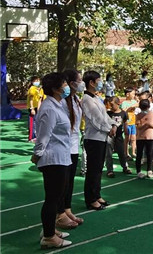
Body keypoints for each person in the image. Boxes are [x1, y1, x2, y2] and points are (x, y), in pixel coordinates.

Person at [31, 72, 72, 249]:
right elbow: (43, 136)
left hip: (61, 156)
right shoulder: (49, 108)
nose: (66, 86)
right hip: (52, 158)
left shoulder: (58, 104)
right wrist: (37, 154)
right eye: (64, 84)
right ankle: (49, 237)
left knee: (56, 197)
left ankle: (50, 230)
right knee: (52, 199)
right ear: (55, 89)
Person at [81, 71, 116, 210]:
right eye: (99, 80)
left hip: (101, 137)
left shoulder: (95, 98)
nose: (101, 83)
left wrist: (113, 124)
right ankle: (90, 199)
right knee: (93, 170)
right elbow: (96, 119)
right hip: (93, 138)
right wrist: (109, 128)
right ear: (91, 82)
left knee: (98, 169)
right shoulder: (86, 99)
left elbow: (105, 116)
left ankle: (97, 195)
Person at [56, 69, 85, 230]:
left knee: (70, 181)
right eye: (78, 80)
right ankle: (59, 213)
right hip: (64, 146)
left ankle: (67, 209)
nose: (81, 83)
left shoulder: (74, 99)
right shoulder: (61, 102)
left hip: (73, 145)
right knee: (62, 182)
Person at [106, 97, 131, 177]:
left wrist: (126, 131)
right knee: (109, 153)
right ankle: (109, 170)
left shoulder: (123, 113)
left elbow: (125, 122)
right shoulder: (108, 113)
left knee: (121, 152)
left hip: (119, 135)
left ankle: (125, 167)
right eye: (109, 104)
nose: (110, 106)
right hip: (110, 136)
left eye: (112, 104)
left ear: (118, 104)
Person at [135, 98, 153, 179]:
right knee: (139, 154)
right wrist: (144, 125)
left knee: (150, 154)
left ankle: (149, 170)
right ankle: (138, 171)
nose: (145, 110)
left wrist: (151, 125)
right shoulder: (138, 115)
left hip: (150, 137)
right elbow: (138, 126)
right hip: (140, 137)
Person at [121, 88, 138, 160]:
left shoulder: (134, 101)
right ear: (127, 94)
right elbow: (123, 111)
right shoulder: (124, 103)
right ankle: (126, 153)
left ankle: (133, 152)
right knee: (127, 138)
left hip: (133, 122)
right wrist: (130, 107)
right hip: (127, 123)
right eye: (133, 94)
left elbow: (138, 106)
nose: (134, 95)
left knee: (133, 138)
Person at [27, 75, 44, 141]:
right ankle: (31, 137)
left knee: (37, 121)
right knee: (32, 122)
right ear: (32, 82)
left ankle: (36, 135)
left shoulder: (40, 89)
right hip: (32, 107)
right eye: (35, 81)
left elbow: (40, 99)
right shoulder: (32, 88)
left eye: (38, 81)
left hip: (38, 106)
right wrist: (32, 108)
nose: (37, 82)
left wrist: (39, 109)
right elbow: (31, 99)